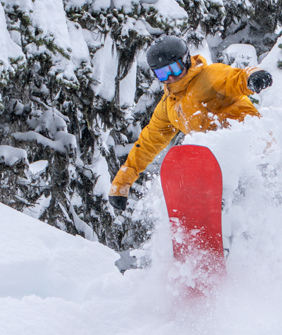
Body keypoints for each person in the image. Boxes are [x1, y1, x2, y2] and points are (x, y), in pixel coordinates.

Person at [108, 36, 273, 210]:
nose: (170, 77)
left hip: (251, 148)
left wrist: (253, 77)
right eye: (163, 73)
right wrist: (121, 184)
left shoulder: (208, 77)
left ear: (186, 61)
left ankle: (226, 207)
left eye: (174, 69)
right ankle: (208, 217)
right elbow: (148, 143)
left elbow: (234, 77)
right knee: (187, 165)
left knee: (212, 167)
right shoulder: (168, 106)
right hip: (215, 162)